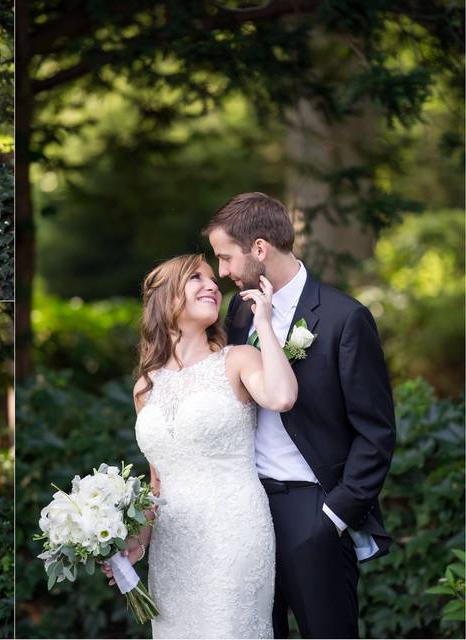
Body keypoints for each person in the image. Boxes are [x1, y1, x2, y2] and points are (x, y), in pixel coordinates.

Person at [206, 192, 395, 638]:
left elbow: (377, 433)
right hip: (245, 510)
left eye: (225, 257)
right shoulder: (238, 312)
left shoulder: (344, 317)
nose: (222, 273)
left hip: (313, 509)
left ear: (259, 249)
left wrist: (333, 517)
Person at [104, 253, 298, 638]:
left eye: (213, 278)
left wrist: (264, 322)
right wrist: (136, 543)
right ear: (165, 301)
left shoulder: (238, 360)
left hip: (233, 531)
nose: (212, 285)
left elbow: (281, 397)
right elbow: (157, 481)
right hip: (173, 549)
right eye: (196, 278)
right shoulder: (146, 386)